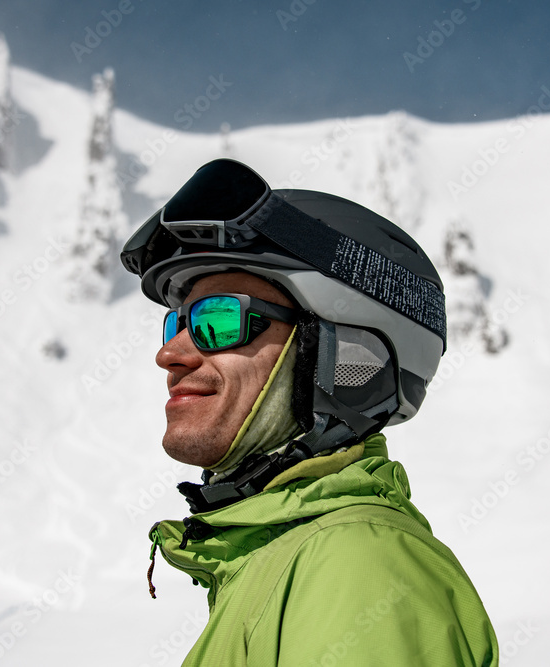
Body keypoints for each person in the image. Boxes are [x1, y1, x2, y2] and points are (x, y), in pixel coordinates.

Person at [120, 158, 498, 666]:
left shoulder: (356, 566)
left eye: (219, 319)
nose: (171, 354)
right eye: (177, 324)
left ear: (343, 356)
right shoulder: (282, 558)